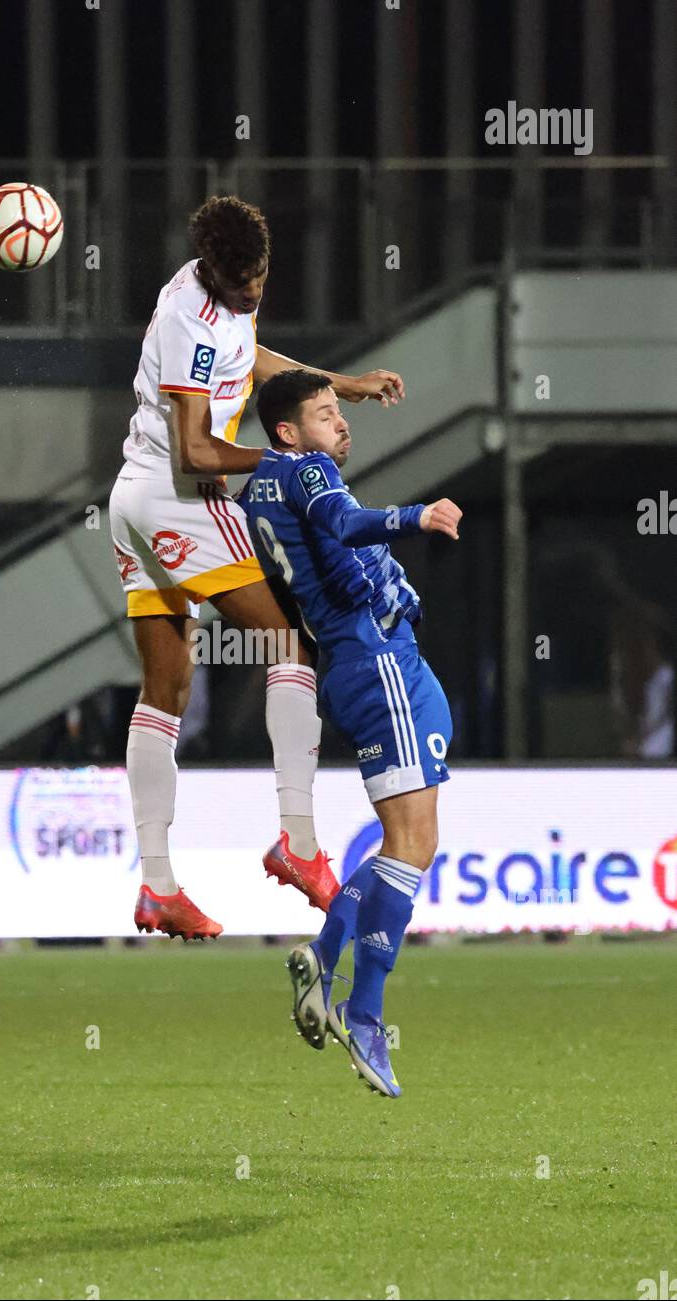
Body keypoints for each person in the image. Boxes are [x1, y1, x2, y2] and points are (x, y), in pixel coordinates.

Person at [109, 196, 407, 941]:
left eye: (258, 284)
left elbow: (254, 358)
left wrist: (341, 385)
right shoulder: (187, 318)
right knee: (291, 648)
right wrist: (286, 458)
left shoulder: (222, 296)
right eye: (239, 287)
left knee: (167, 688)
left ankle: (158, 888)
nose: (249, 296)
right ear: (213, 273)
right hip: (176, 496)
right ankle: (299, 847)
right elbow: (196, 452)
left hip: (134, 502)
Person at [240, 369, 462, 1097]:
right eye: (325, 413)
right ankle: (364, 1014)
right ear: (287, 432)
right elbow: (341, 523)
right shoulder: (305, 473)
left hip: (364, 660)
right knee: (411, 844)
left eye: (340, 412)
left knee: (411, 843)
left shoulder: (258, 492)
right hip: (377, 657)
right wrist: (414, 516)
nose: (341, 424)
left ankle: (324, 953)